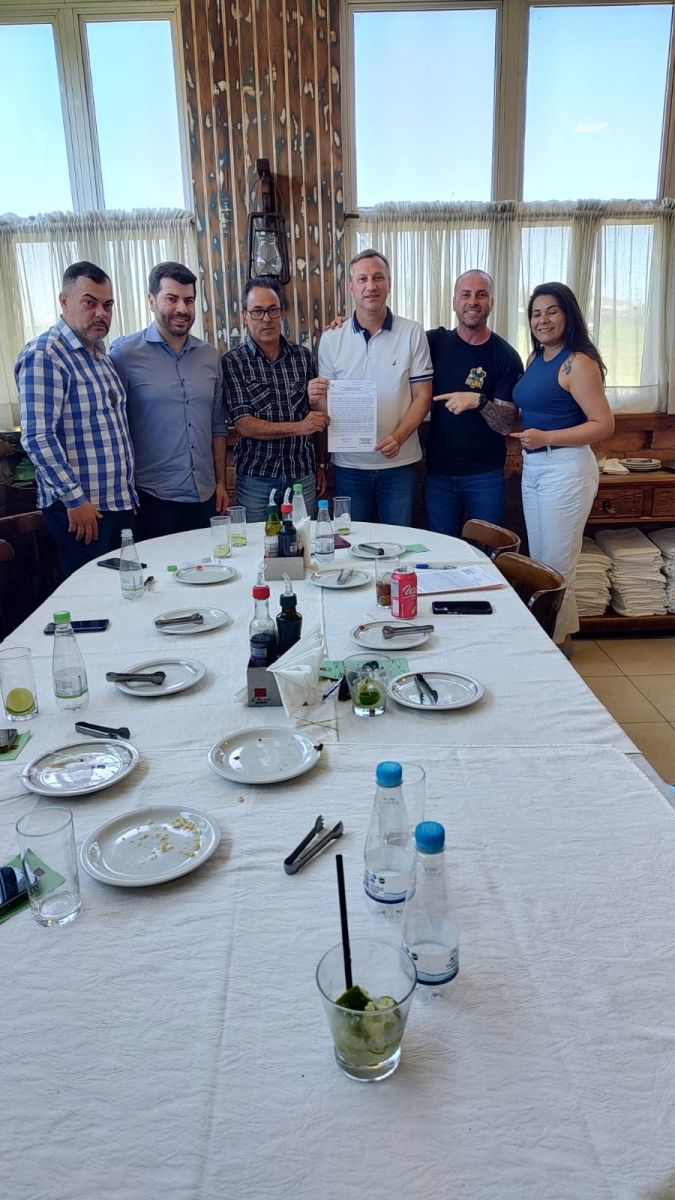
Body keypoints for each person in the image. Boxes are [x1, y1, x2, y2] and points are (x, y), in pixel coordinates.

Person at [15, 261, 137, 577]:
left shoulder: (99, 355)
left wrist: (128, 495)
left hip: (115, 505)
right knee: (92, 595)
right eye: (90, 303)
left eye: (108, 305)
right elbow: (38, 437)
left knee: (124, 591)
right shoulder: (46, 354)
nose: (101, 313)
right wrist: (75, 500)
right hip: (82, 510)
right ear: (64, 301)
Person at [510, 281, 615, 648]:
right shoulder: (535, 358)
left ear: (568, 315)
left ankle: (552, 644)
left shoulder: (578, 362)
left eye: (551, 311)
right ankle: (561, 636)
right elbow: (531, 410)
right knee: (542, 561)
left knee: (557, 562)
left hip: (566, 468)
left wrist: (547, 437)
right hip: (535, 466)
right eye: (536, 314)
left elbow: (603, 424)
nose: (543, 320)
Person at [314, 249, 433, 526]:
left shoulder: (412, 332)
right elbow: (324, 405)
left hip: (400, 462)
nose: (371, 286)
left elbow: (423, 396)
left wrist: (399, 438)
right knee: (351, 539)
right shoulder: (331, 338)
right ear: (351, 288)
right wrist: (315, 397)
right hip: (349, 464)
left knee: (399, 540)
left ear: (389, 284)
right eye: (363, 279)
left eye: (379, 277)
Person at [110, 262, 229, 539]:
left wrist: (221, 482)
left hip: (204, 496)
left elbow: (217, 426)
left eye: (189, 300)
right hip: (151, 499)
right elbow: (115, 427)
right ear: (151, 300)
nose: (182, 309)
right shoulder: (123, 355)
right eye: (171, 299)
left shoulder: (211, 356)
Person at [221, 277, 328, 521]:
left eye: (273, 310)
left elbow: (317, 415)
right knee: (257, 542)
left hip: (302, 474)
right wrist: (299, 427)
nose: (266, 318)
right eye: (257, 311)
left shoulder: (303, 357)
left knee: (304, 540)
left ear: (282, 313)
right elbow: (244, 425)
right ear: (245, 316)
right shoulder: (233, 361)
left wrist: (321, 464)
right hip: (256, 479)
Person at [425, 270, 523, 535]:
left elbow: (506, 424)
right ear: (454, 302)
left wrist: (480, 402)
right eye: (466, 294)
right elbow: (392, 341)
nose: (473, 301)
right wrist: (345, 324)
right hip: (438, 473)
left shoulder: (505, 356)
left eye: (481, 295)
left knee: (487, 548)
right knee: (441, 550)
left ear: (491, 302)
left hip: (485, 475)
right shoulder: (434, 342)